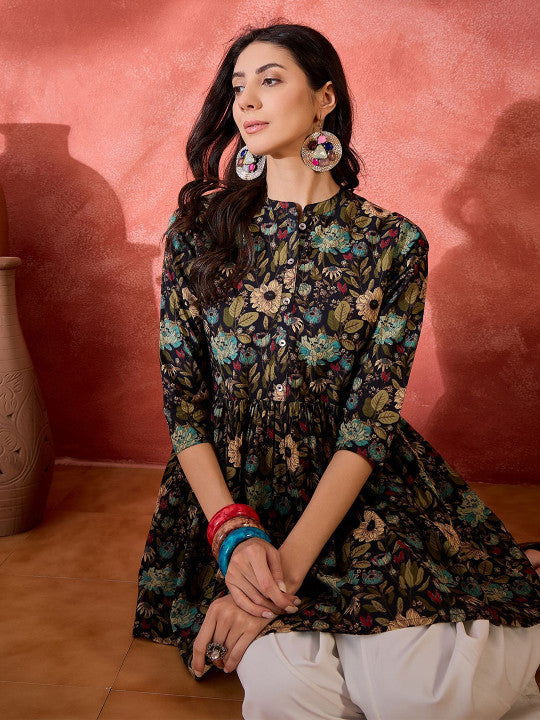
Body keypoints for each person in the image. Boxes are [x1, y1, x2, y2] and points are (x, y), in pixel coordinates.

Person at [132, 22, 540, 720]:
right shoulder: (198, 234)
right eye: (237, 86)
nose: (246, 101)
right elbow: (185, 404)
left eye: (270, 80)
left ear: (325, 99)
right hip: (236, 495)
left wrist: (277, 580)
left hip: (357, 492)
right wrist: (233, 535)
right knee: (288, 696)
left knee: (423, 697)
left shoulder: (392, 243)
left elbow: (369, 423)